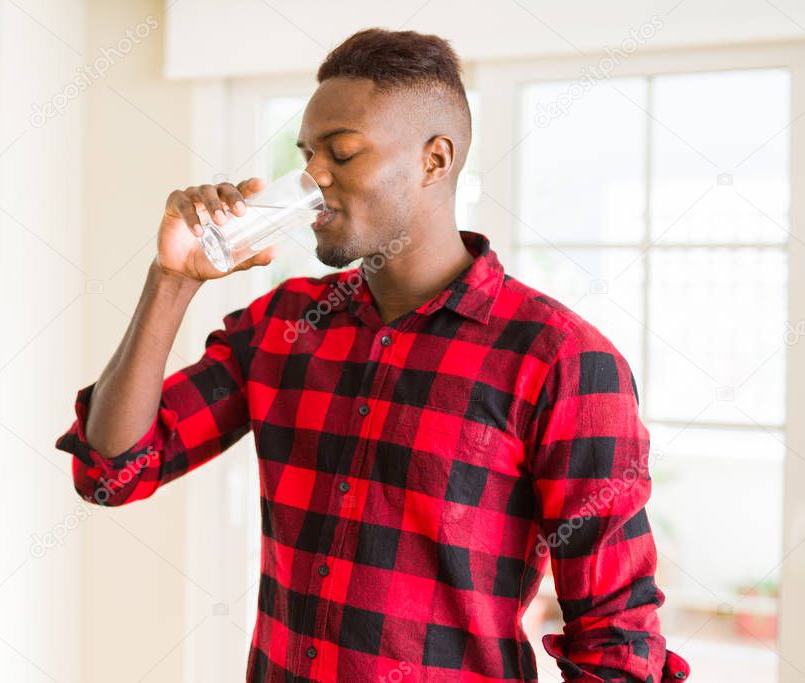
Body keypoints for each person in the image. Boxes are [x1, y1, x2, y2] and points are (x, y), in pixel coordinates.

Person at [55, 27, 691, 683]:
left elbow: (616, 644)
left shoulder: (559, 359)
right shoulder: (283, 324)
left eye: (343, 153)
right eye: (307, 154)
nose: (313, 178)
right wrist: (173, 279)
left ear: (435, 160)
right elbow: (112, 471)